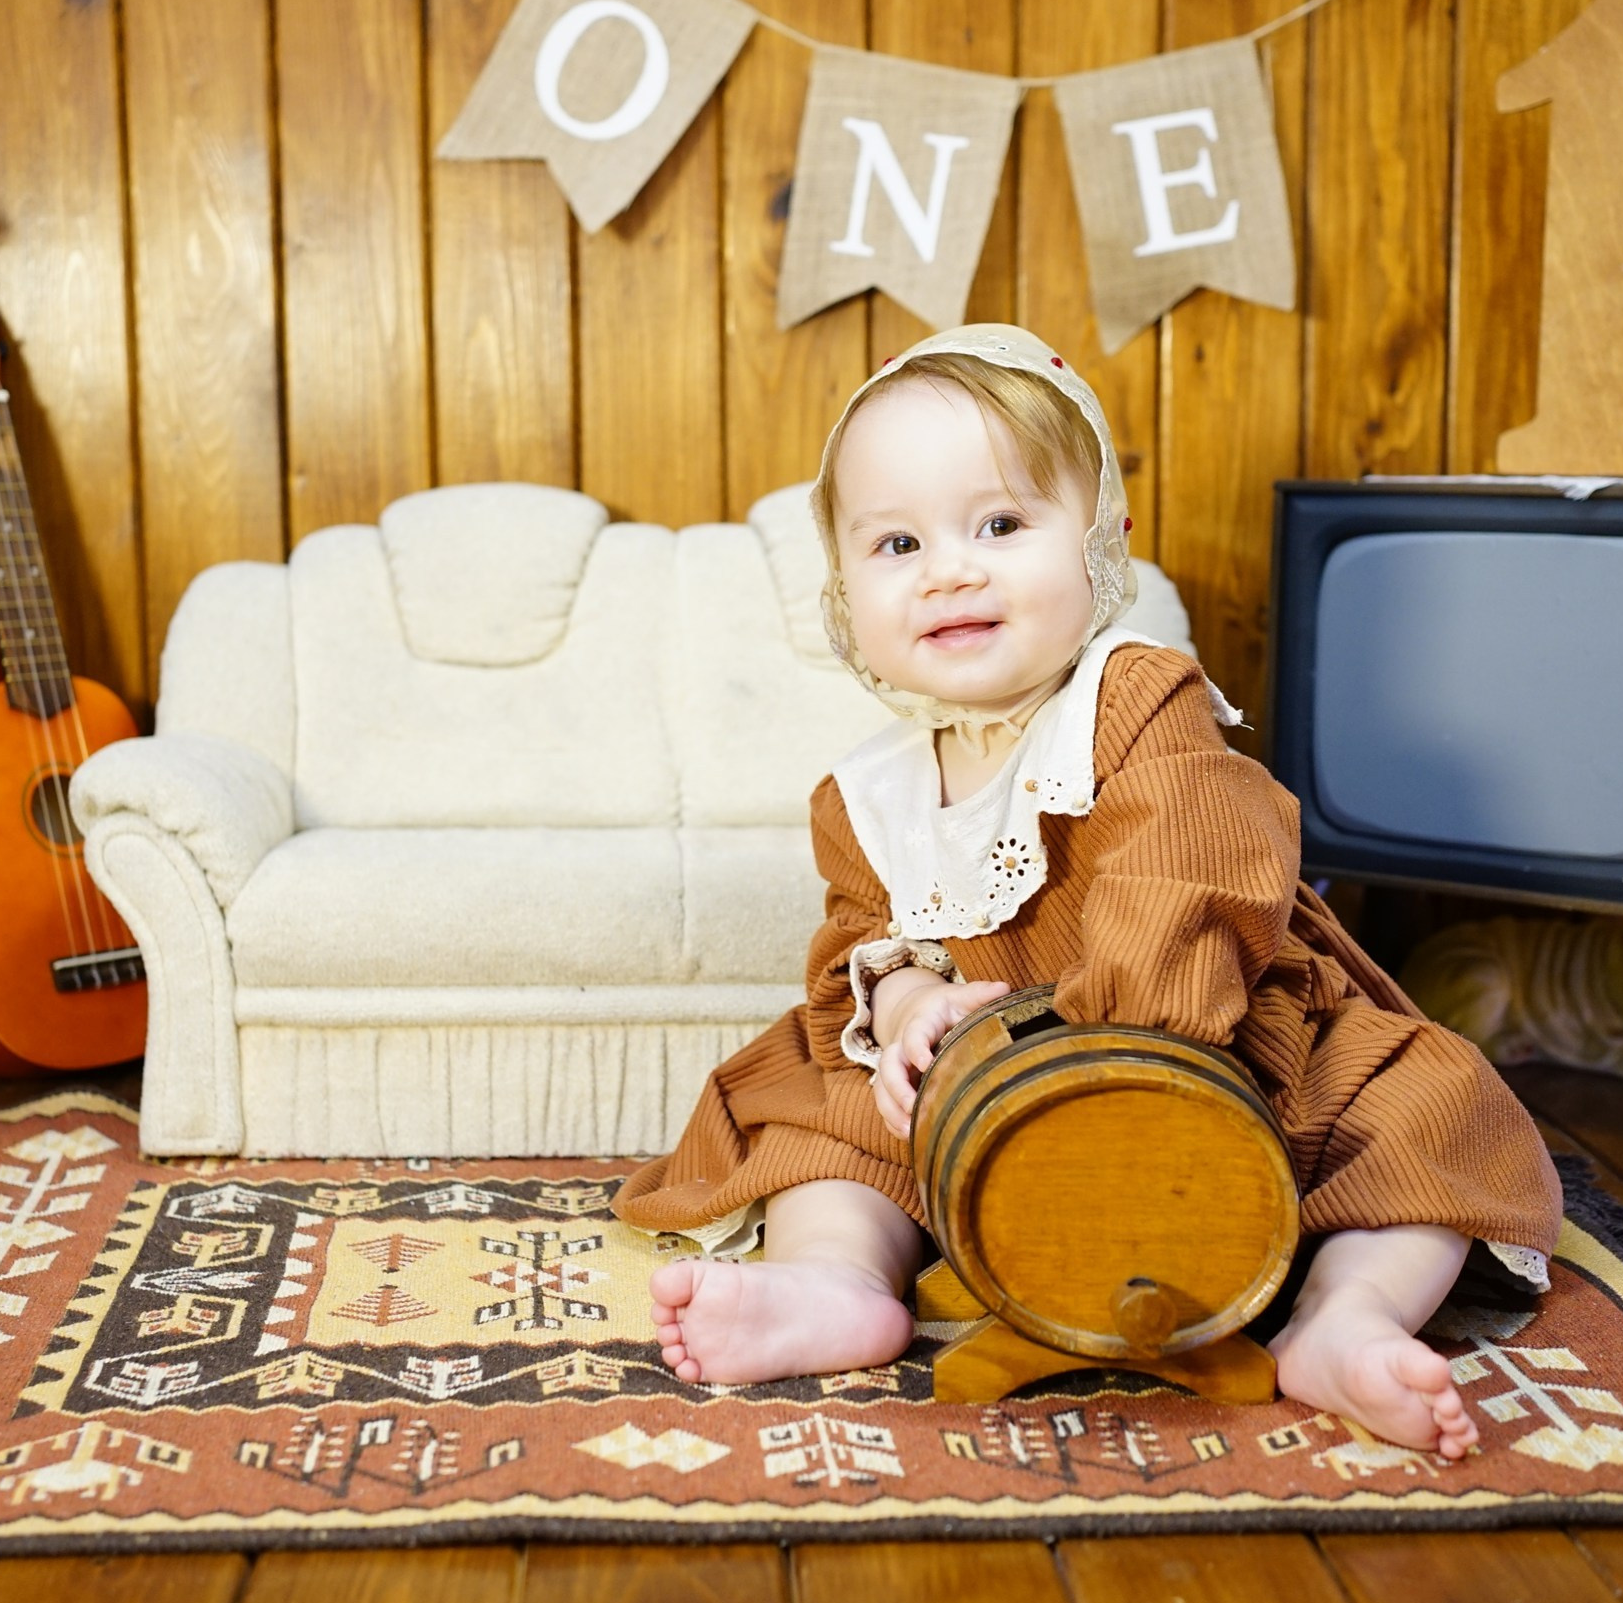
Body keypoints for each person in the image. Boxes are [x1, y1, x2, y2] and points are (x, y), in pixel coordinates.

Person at [612, 325, 1562, 1458]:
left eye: (1001, 525)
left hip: (1211, 1040)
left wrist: (1099, 1038)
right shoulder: (866, 793)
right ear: (845, 596)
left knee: (1426, 1103)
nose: (949, 569)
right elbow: (863, 940)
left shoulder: (1136, 695)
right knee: (825, 1118)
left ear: (1098, 543)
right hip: (973, 1097)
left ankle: (1342, 1317)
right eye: (897, 542)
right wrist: (909, 1010)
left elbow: (1191, 863)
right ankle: (838, 1281)